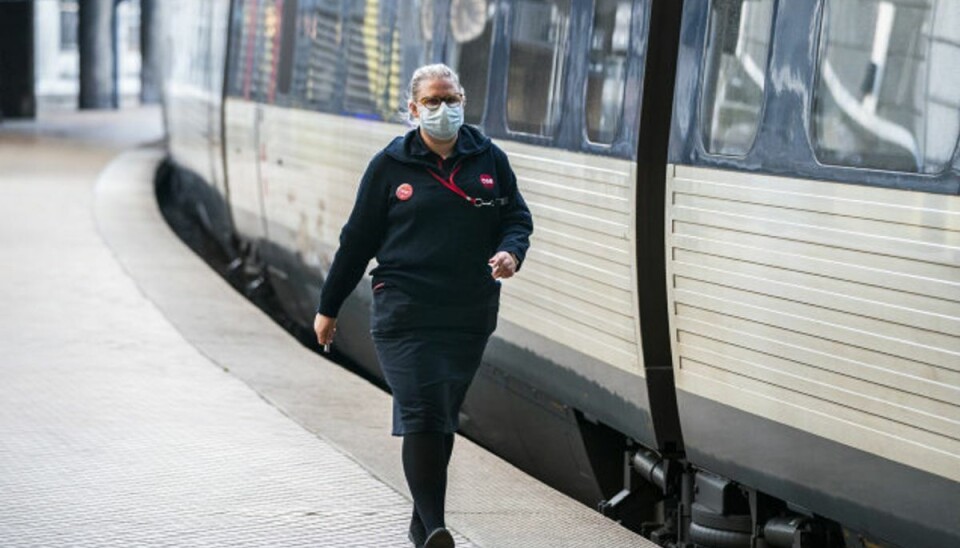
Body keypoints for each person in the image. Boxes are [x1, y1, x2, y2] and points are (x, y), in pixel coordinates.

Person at [312, 63, 533, 548]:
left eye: (451, 99)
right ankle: (435, 527)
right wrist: (329, 307)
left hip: (467, 313)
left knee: (440, 414)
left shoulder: (488, 158)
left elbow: (516, 217)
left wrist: (511, 252)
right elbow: (356, 242)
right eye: (433, 101)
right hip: (404, 310)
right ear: (413, 110)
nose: (444, 109)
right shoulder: (390, 165)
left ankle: (421, 522)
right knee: (423, 410)